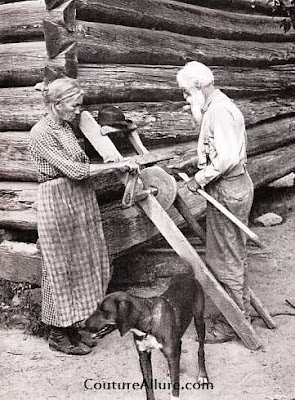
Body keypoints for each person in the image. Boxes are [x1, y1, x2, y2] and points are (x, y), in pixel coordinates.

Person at [29, 77, 137, 355]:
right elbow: (74, 170)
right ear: (56, 104)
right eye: (74, 106)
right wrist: (115, 166)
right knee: (59, 268)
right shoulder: (40, 133)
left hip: (78, 201)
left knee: (81, 264)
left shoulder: (65, 127)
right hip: (57, 202)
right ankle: (57, 334)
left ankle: (74, 327)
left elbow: (82, 163)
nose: (78, 111)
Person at [172, 61, 254, 343]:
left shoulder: (220, 111)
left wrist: (200, 178)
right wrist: (195, 162)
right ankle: (240, 311)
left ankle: (231, 323)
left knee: (223, 259)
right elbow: (219, 149)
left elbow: (228, 157)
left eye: (185, 92)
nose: (184, 98)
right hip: (230, 185)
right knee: (231, 253)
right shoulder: (216, 107)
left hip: (228, 189)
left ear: (199, 86)